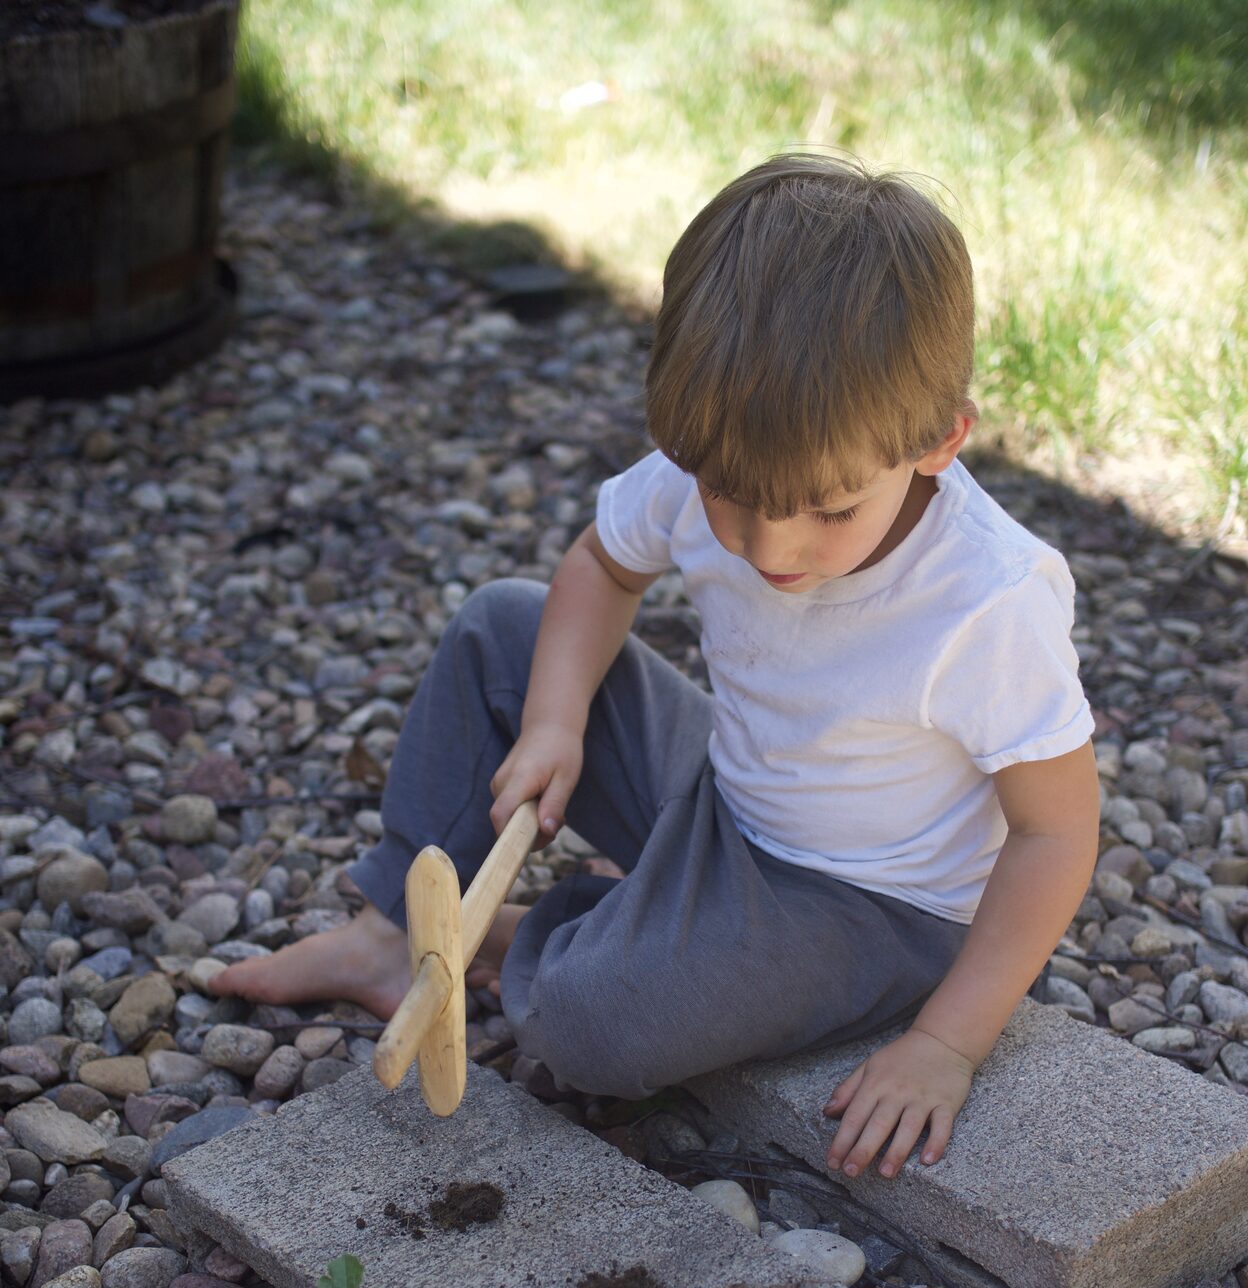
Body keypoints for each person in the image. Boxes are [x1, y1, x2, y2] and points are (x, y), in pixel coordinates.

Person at [212, 151, 1100, 1181]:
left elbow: (1054, 830)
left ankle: (535, 934)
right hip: (728, 795)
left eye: (826, 510)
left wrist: (948, 1041)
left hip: (866, 904)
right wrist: (556, 720)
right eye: (730, 496)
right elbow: (600, 563)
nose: (770, 549)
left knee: (590, 1030)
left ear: (939, 441)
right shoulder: (720, 456)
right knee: (508, 626)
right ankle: (395, 931)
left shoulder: (987, 600)